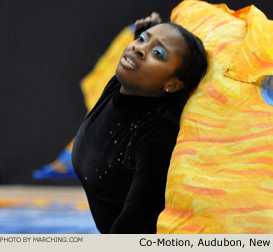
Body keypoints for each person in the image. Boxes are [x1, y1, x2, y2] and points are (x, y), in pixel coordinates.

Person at [71, 12, 208, 233]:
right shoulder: (126, 84)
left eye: (158, 53)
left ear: (172, 85)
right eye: (142, 39)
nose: (138, 48)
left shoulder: (158, 132)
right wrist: (149, 33)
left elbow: (139, 217)